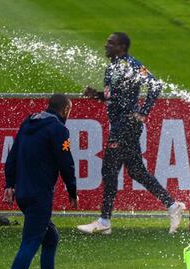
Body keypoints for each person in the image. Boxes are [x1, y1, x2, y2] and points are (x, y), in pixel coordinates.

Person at [78, 32, 184, 235]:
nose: (105, 45)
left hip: (126, 125)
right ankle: (172, 206)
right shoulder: (113, 67)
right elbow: (116, 98)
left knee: (110, 170)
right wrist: (98, 95)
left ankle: (104, 221)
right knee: (136, 171)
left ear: (122, 47)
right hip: (122, 124)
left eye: (111, 42)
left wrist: (143, 113)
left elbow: (155, 85)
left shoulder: (130, 64)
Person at [0, 94, 78, 269]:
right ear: (65, 110)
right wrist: (72, 190)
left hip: (23, 192)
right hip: (39, 194)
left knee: (50, 237)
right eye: (69, 111)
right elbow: (66, 162)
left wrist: (9, 183)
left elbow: (13, 154)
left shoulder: (28, 122)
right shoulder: (58, 129)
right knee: (30, 242)